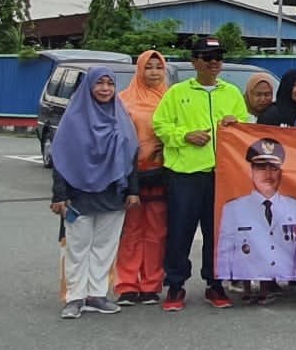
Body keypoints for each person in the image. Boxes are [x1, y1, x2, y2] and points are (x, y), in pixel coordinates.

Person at [152, 37, 249, 312]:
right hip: (185, 174)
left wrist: (237, 124)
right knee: (180, 232)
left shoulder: (231, 93)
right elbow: (160, 125)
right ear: (194, 61)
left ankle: (215, 283)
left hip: (222, 175)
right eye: (207, 58)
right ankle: (175, 284)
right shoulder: (177, 92)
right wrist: (184, 136)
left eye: (218, 57)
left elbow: (245, 129)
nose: (214, 63)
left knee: (217, 233)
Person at [50, 66, 139, 318]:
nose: (105, 89)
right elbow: (60, 158)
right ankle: (74, 297)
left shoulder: (121, 117)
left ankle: (97, 294)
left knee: (105, 247)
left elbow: (131, 156)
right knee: (77, 247)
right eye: (99, 84)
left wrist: (133, 191)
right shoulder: (73, 119)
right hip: (79, 194)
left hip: (113, 192)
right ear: (88, 87)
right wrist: (59, 195)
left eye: (110, 84)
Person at [216, 138, 296, 302]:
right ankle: (247, 288)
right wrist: (228, 275)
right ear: (251, 170)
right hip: (244, 272)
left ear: (281, 171)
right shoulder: (234, 209)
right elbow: (226, 249)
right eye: (260, 167)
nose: (267, 174)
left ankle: (269, 286)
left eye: (274, 167)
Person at [114, 50, 169, 306]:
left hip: (163, 173)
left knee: (156, 231)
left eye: (159, 67)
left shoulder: (172, 99)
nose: (154, 72)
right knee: (131, 231)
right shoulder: (123, 100)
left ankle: (151, 284)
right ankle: (126, 284)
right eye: (149, 67)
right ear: (139, 70)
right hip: (131, 173)